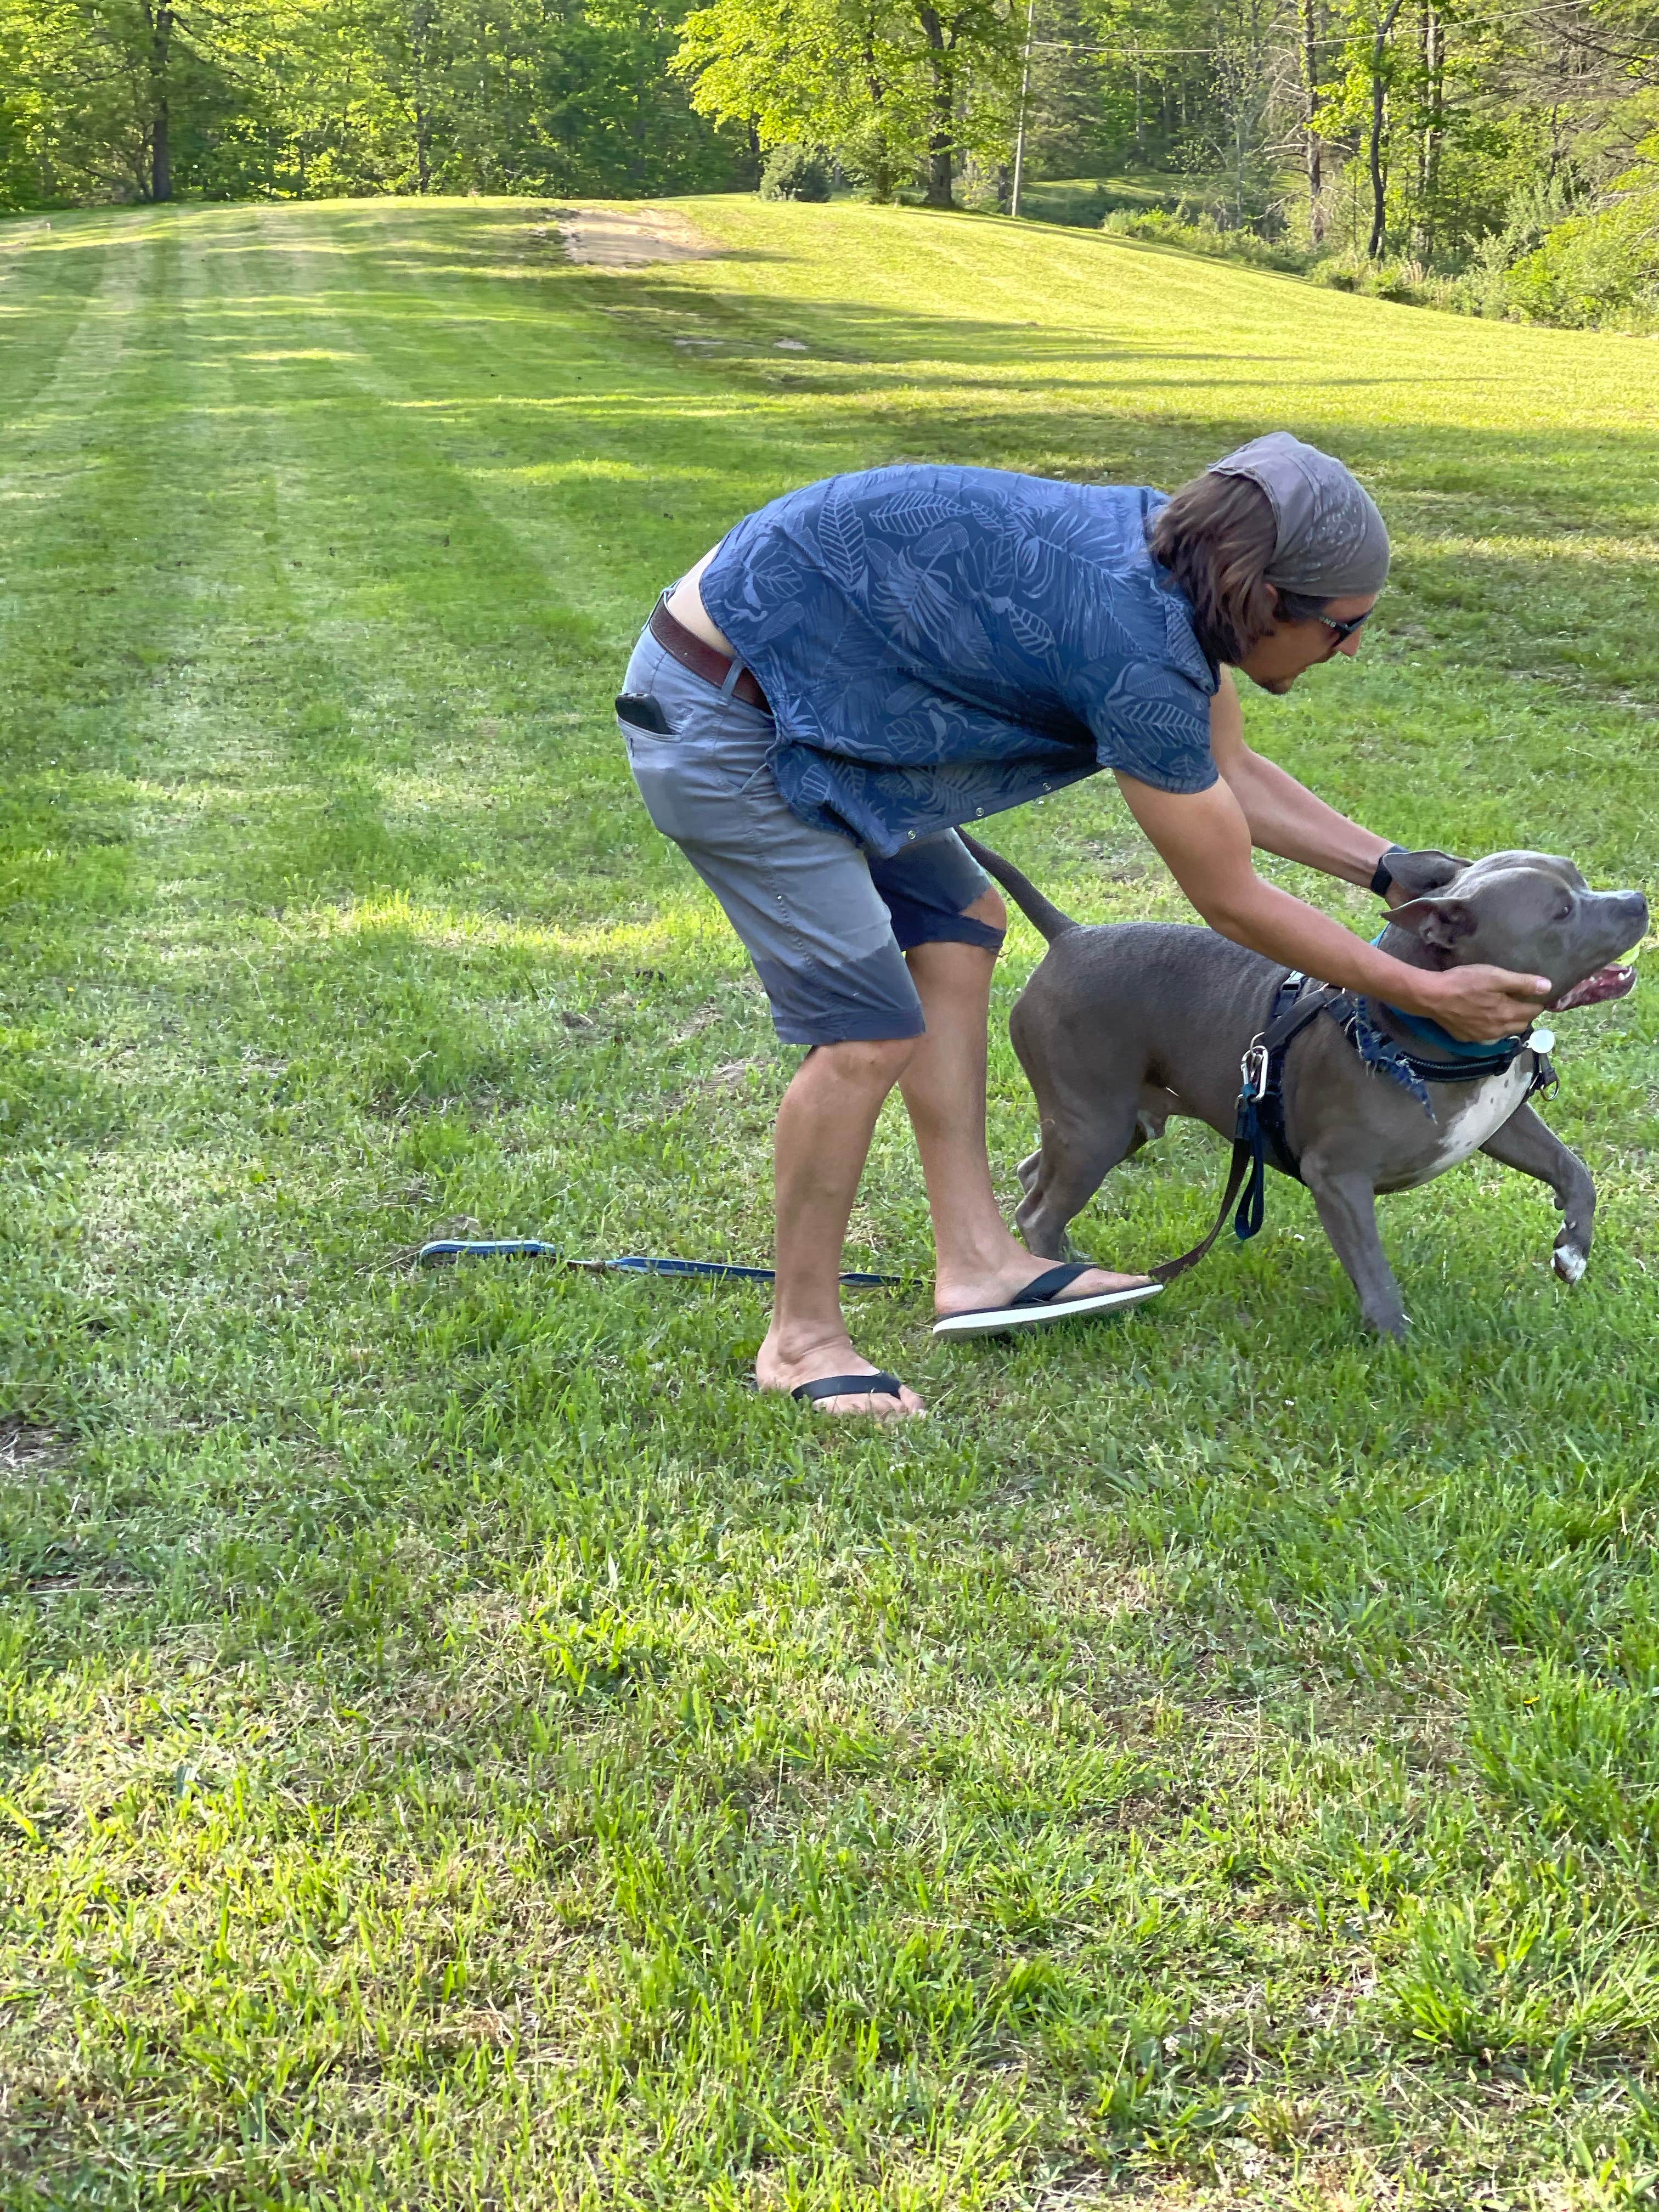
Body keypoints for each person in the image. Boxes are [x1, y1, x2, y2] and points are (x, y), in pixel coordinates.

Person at [614, 434, 1550, 1419]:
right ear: (1265, 597)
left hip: (814, 692)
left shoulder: (1177, 572)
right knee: (867, 1032)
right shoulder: (1132, 642)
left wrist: (1386, 870)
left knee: (962, 923)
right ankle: (801, 1339)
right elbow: (1229, 897)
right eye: (1343, 626)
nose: (1353, 647)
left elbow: (1229, 773)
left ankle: (977, 1259)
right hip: (728, 714)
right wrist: (1418, 987)